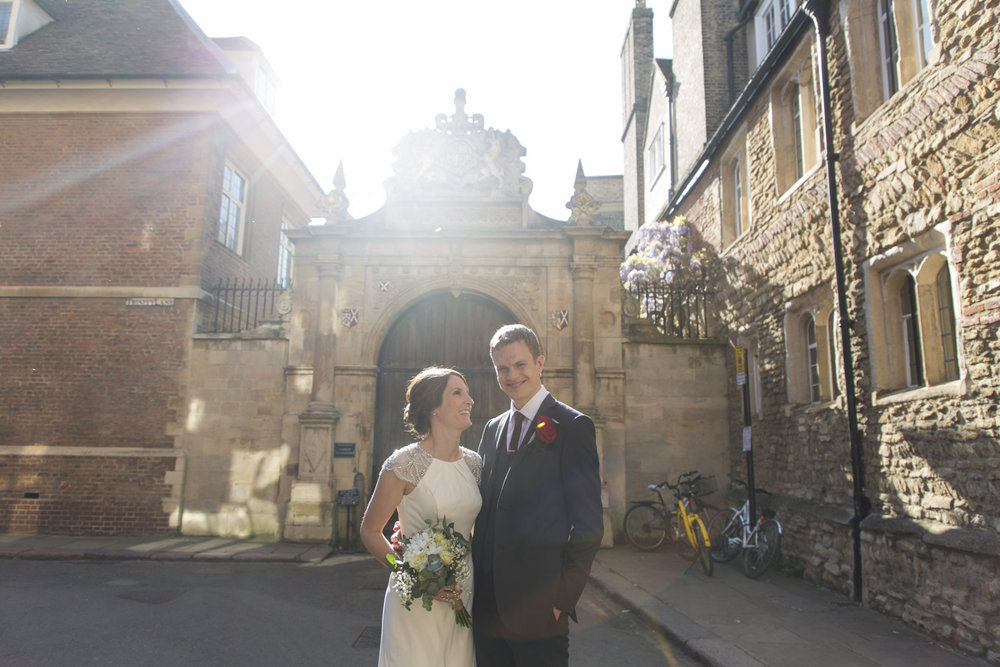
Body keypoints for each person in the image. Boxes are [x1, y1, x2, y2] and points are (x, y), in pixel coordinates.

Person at [472, 324, 604, 667]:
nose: (512, 375)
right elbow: (484, 511)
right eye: (503, 368)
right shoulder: (492, 429)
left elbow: (589, 524)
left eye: (520, 365)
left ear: (540, 363)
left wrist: (563, 599)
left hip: (541, 608)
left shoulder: (573, 427)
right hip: (488, 608)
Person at [360, 367, 483, 667]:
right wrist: (407, 572)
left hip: (461, 596)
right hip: (414, 603)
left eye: (467, 392)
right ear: (433, 408)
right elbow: (370, 531)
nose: (470, 400)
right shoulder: (403, 464)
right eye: (458, 393)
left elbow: (475, 530)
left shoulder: (475, 464)